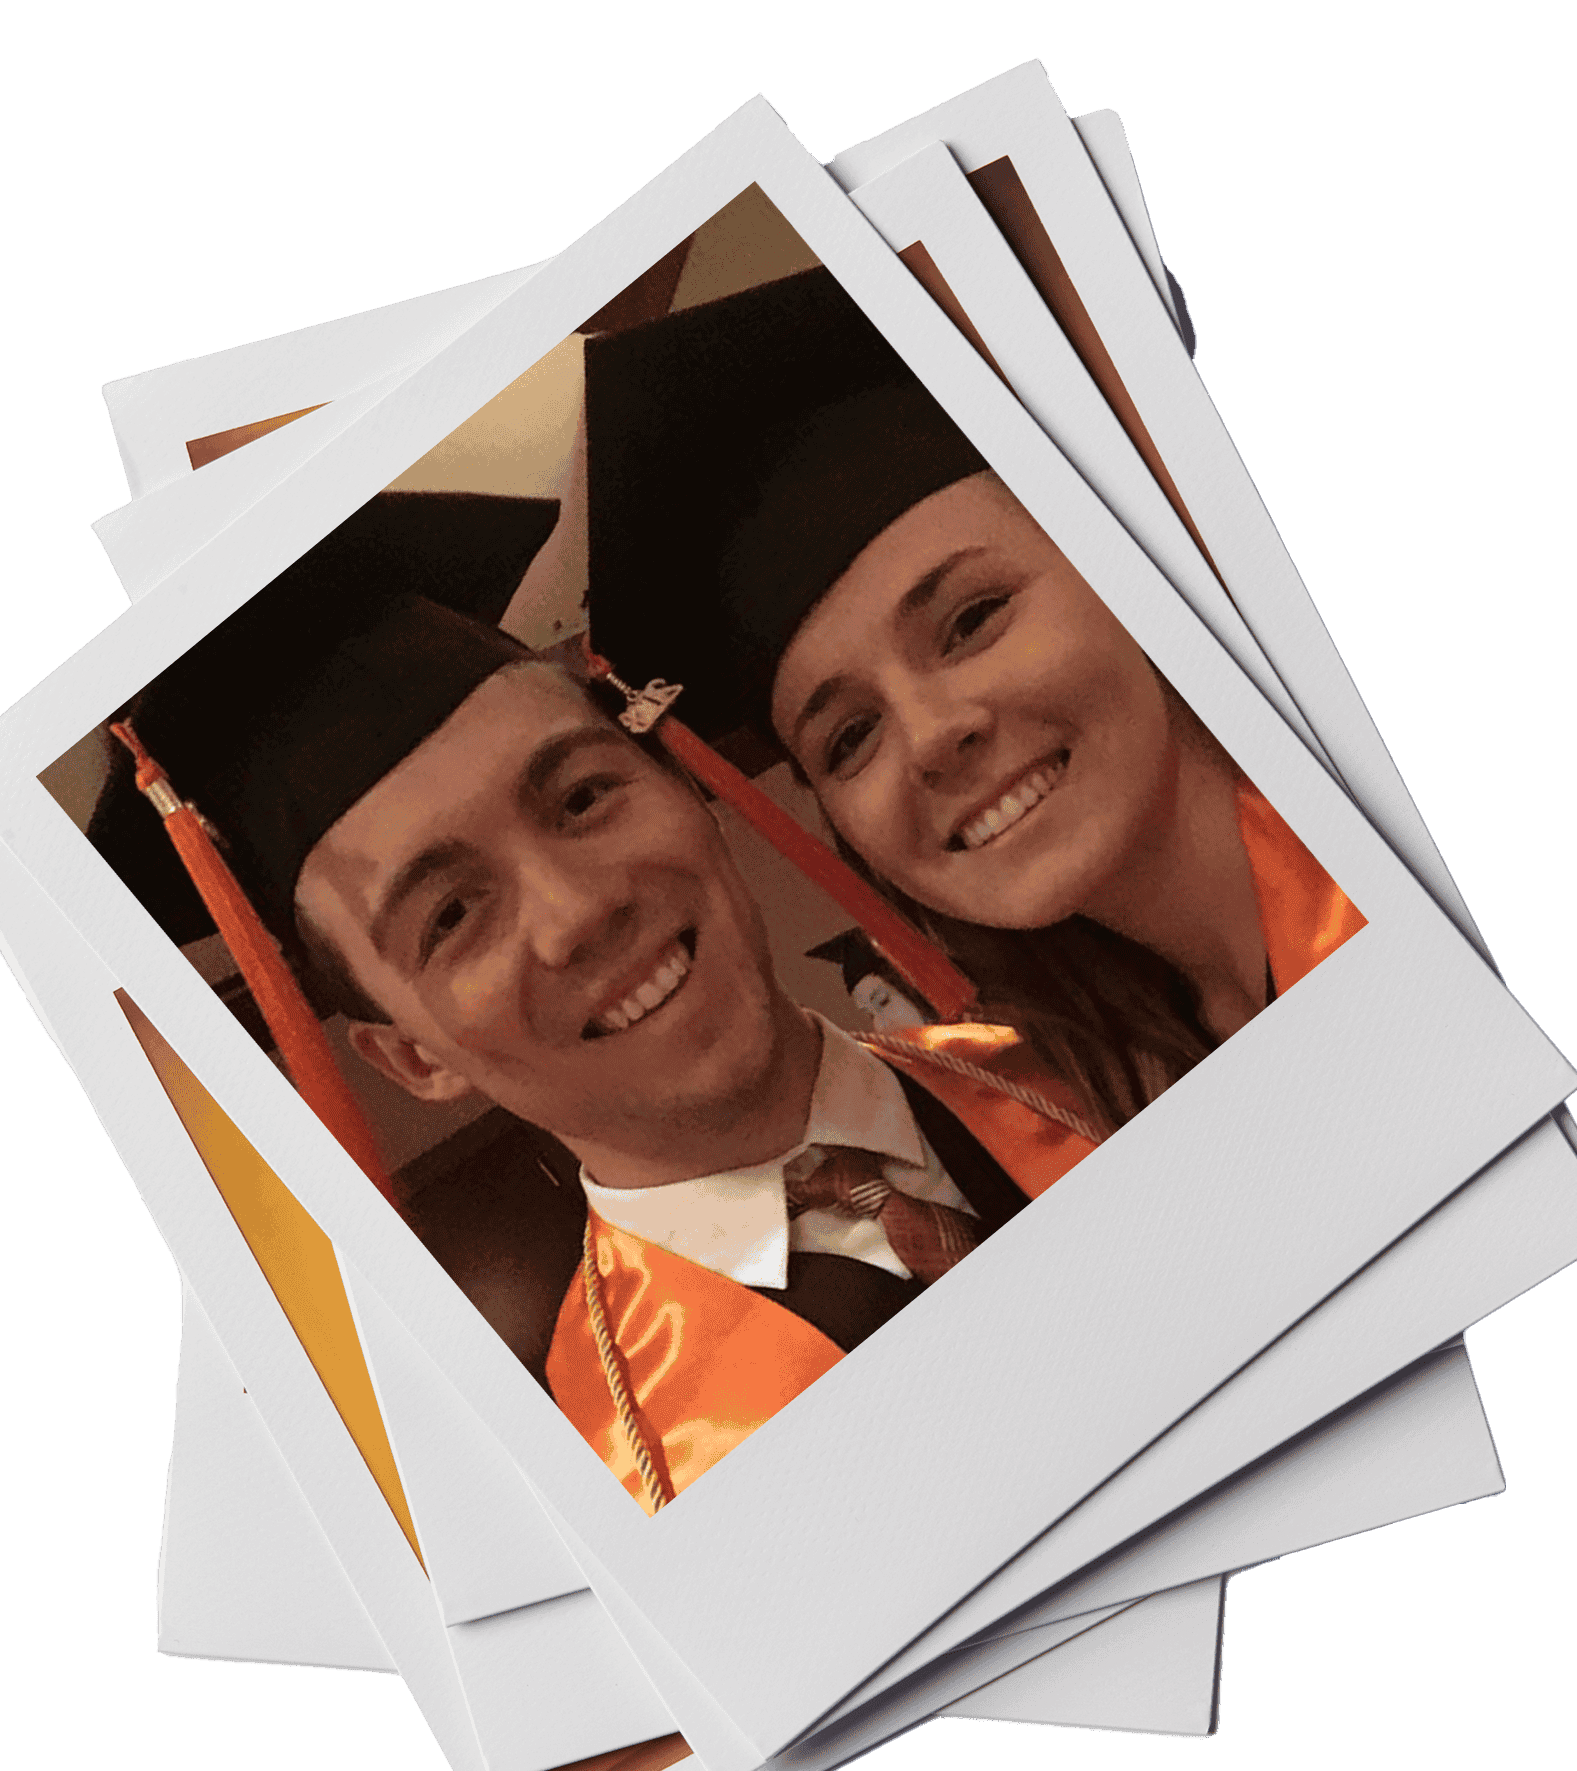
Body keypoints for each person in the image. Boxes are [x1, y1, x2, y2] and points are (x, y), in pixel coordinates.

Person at [84, 492, 1099, 1514]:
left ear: (682, 792)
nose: (581, 910)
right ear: (412, 1059)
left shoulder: (1095, 1062)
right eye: (451, 915)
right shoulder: (606, 1485)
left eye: (580, 797)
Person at [583, 268, 1365, 1134]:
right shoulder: (1098, 1103)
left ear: (1123, 567)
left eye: (972, 620)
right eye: (849, 737)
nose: (929, 737)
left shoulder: (1406, 866)